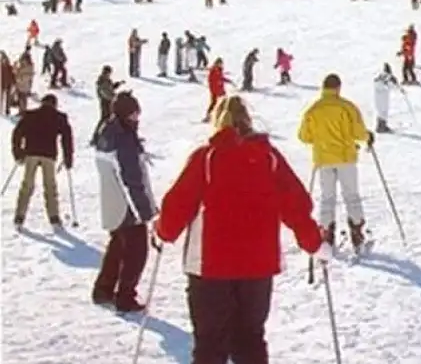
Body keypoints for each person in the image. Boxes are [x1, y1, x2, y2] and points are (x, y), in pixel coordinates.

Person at [153, 95, 329, 363]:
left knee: (210, 344)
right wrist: (315, 243)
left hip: (210, 267)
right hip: (257, 267)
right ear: (248, 120)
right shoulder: (268, 158)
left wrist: (162, 231)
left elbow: (177, 204)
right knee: (250, 340)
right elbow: (296, 204)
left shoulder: (207, 158)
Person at [92, 91, 156, 311]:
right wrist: (144, 212)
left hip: (112, 204)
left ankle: (103, 289)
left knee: (118, 247)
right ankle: (125, 296)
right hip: (126, 207)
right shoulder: (123, 139)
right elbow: (130, 178)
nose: (137, 118)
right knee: (137, 251)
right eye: (134, 114)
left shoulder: (106, 132)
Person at [298, 74, 373, 251]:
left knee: (327, 198)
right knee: (351, 196)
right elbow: (359, 132)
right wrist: (369, 136)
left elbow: (304, 136)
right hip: (345, 157)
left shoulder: (313, 109)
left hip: (323, 159)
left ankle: (326, 233)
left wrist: (320, 139)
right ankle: (356, 231)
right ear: (338, 88)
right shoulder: (347, 107)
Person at [10, 93, 74, 227]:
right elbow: (67, 139)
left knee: (27, 185)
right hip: (48, 155)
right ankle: (54, 217)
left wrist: (18, 152)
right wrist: (68, 158)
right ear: (54, 104)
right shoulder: (59, 117)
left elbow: (17, 133)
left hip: (31, 153)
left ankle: (19, 216)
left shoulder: (30, 115)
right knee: (50, 186)